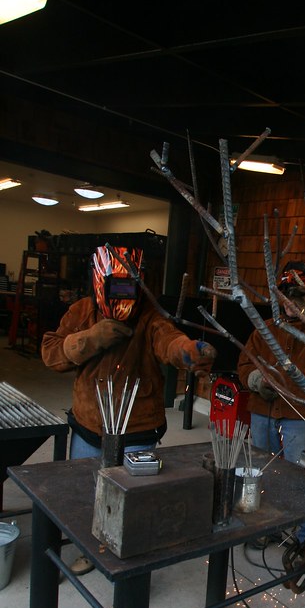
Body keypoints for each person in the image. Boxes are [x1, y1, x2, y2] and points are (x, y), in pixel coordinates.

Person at [42, 245, 216, 574]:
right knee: (87, 491)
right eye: (116, 287)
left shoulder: (149, 316)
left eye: (128, 287)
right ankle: (90, 548)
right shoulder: (82, 311)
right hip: (88, 426)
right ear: (99, 281)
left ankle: (131, 560)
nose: (123, 296)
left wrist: (189, 351)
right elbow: (51, 354)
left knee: (134, 498)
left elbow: (169, 340)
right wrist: (90, 339)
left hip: (137, 428)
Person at [237, 260, 305, 590]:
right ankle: (267, 527)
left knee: (302, 477)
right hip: (263, 411)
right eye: (286, 297)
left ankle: (304, 538)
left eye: (297, 296)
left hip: (299, 415)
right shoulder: (265, 328)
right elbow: (243, 364)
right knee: (261, 471)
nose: (289, 303)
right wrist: (256, 380)